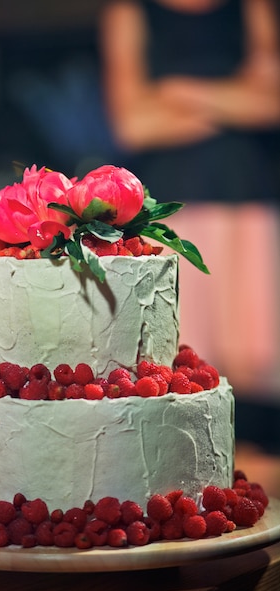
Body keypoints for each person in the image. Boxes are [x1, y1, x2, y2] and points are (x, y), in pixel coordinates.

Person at [99, 0, 280, 408]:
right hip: (175, 212)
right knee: (181, 363)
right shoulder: (129, 13)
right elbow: (134, 126)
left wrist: (177, 92)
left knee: (256, 363)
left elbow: (270, 105)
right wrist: (234, 102)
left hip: (249, 201)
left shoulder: (252, 7)